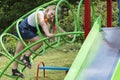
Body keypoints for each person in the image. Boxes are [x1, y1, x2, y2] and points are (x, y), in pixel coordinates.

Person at [12, 5, 65, 78]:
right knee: (39, 41)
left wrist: (66, 34)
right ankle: (25, 57)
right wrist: (48, 34)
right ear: (48, 9)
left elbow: (55, 26)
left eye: (53, 16)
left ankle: (14, 70)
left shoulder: (47, 17)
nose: (51, 17)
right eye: (52, 14)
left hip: (28, 30)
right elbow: (42, 23)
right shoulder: (40, 13)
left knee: (19, 51)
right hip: (24, 28)